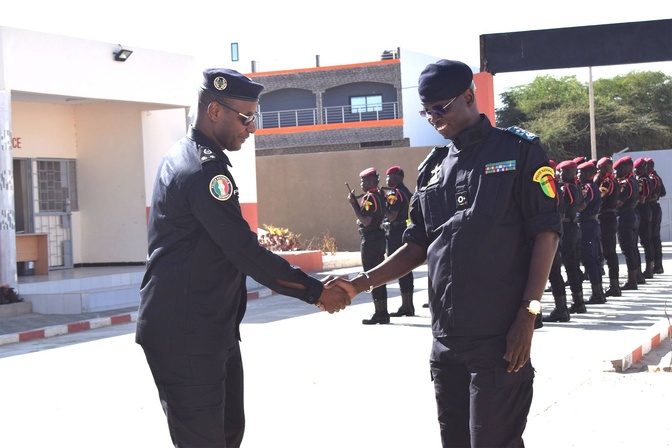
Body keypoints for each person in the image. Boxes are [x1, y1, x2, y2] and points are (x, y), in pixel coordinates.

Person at [328, 59, 561, 447]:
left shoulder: (519, 151)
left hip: (499, 337)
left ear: (469, 96)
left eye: (442, 108)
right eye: (427, 111)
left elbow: (547, 235)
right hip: (446, 340)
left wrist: (529, 314)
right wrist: (358, 284)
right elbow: (416, 245)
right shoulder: (433, 168)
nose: (434, 118)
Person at [135, 68, 350, 448]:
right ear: (215, 111)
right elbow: (242, 250)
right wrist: (316, 291)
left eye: (255, 117)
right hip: (185, 333)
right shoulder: (203, 171)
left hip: (206, 327)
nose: (251, 128)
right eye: (246, 117)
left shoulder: (191, 158)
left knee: (227, 432)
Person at [348, 167, 389, 324]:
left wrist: (353, 205)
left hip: (370, 240)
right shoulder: (378, 195)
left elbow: (366, 221)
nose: (361, 184)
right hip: (378, 238)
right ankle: (382, 312)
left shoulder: (370, 197)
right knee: (378, 275)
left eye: (363, 181)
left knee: (371, 276)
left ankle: (380, 313)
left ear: (371, 181)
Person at [383, 165, 416, 317]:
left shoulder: (395, 193)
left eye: (388, 177)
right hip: (405, 231)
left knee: (400, 268)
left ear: (396, 177)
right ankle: (408, 305)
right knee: (407, 270)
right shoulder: (407, 192)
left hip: (396, 232)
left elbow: (392, 216)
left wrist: (382, 201)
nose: (386, 180)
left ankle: (406, 306)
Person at [556, 160, 586, 313]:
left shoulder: (566, 188)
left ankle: (575, 303)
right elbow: (582, 205)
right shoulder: (577, 187)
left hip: (567, 228)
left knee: (568, 266)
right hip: (574, 226)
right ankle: (578, 301)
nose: (559, 175)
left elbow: (561, 210)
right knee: (573, 266)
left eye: (561, 172)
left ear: (567, 172)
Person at [543, 160, 571, 322]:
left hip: (546, 233)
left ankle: (537, 314)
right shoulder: (557, 186)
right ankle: (562, 308)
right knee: (555, 274)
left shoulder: (547, 185)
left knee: (545, 273)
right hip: (555, 231)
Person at [578, 161, 606, 304]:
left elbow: (582, 206)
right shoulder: (593, 185)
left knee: (590, 260)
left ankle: (597, 294)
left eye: (580, 172)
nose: (578, 175)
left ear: (588, 174)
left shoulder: (587, 187)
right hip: (592, 224)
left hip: (587, 225)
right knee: (593, 259)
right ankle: (599, 292)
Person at [614, 156, 640, 290]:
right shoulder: (634, 181)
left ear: (625, 168)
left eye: (618, 169)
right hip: (632, 214)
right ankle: (636, 277)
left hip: (625, 217)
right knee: (633, 248)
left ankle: (632, 280)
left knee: (628, 249)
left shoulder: (625, 183)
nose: (616, 172)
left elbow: (619, 202)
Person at [596, 157, 621, 297]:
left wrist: (595, 182)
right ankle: (614, 284)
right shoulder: (614, 181)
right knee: (608, 251)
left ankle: (614, 286)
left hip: (606, 217)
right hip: (609, 217)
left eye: (600, 168)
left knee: (609, 252)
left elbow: (599, 196)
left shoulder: (606, 182)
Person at [634, 157, 654, 279]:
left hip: (642, 212)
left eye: (638, 168)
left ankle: (647, 269)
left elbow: (641, 198)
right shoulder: (648, 179)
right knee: (647, 241)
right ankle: (648, 268)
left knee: (645, 241)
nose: (636, 170)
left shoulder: (642, 181)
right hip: (647, 211)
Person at [646, 158, 667, 274]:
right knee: (655, 238)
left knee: (652, 237)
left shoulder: (652, 178)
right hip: (655, 208)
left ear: (648, 167)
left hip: (652, 208)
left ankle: (656, 265)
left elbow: (657, 194)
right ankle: (657, 264)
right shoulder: (657, 177)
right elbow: (663, 192)